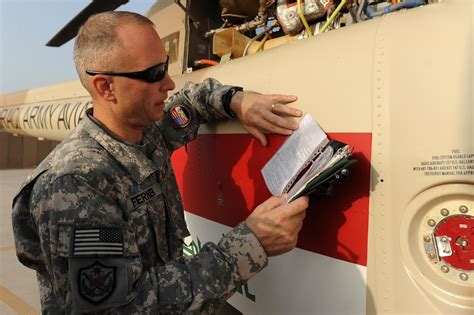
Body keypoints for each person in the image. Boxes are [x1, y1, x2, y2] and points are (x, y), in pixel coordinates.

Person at [12, 11, 308, 314]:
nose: (168, 83)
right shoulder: (77, 185)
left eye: (165, 67)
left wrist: (235, 100)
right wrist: (249, 245)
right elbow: (119, 307)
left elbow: (193, 101)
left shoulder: (145, 133)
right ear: (105, 87)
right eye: (153, 74)